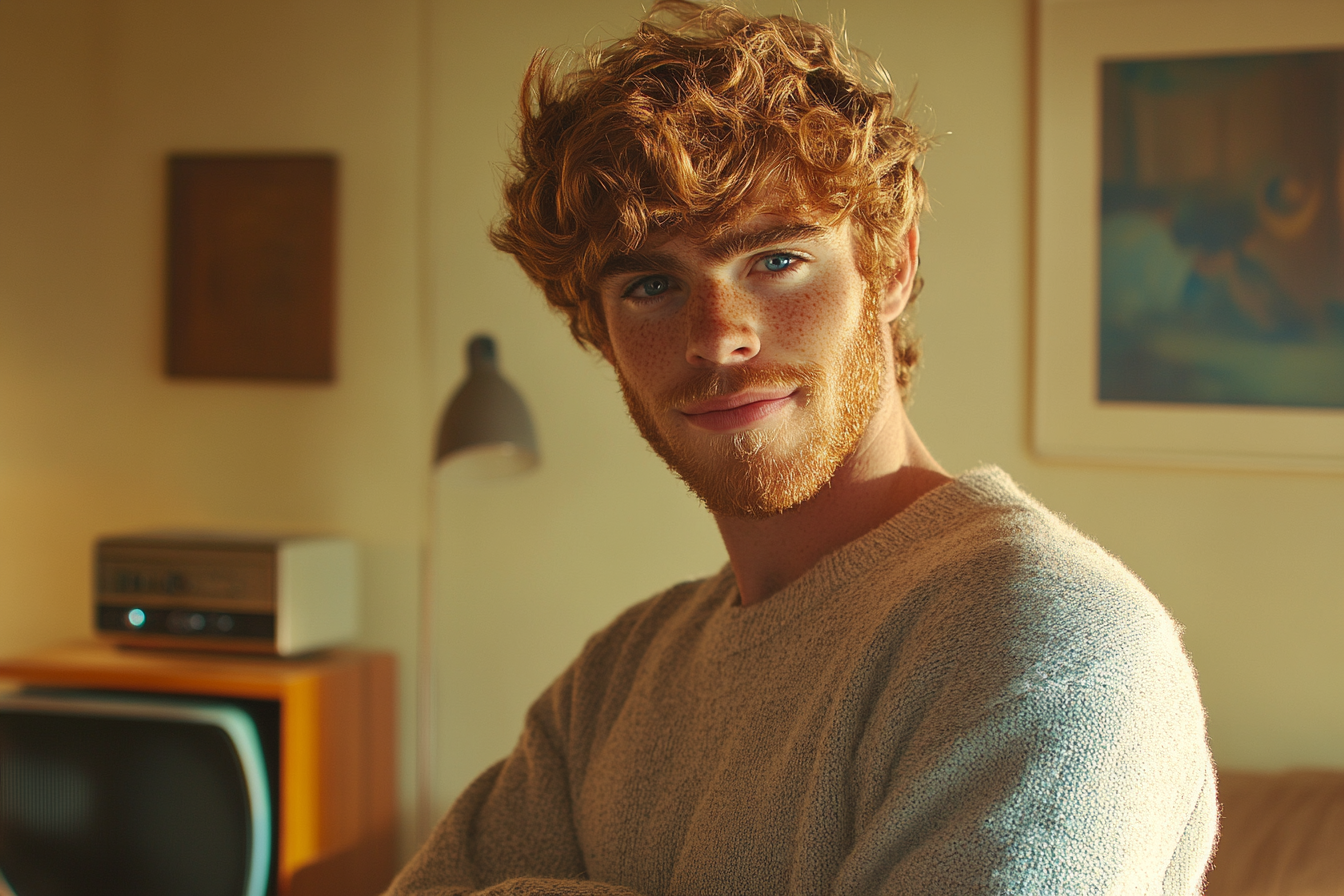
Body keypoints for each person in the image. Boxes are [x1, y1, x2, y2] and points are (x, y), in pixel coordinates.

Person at [385, 2, 1217, 893]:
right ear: (598, 327)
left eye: (775, 260)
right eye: (653, 284)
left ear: (889, 267)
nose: (718, 336)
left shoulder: (1052, 640)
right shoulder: (614, 682)